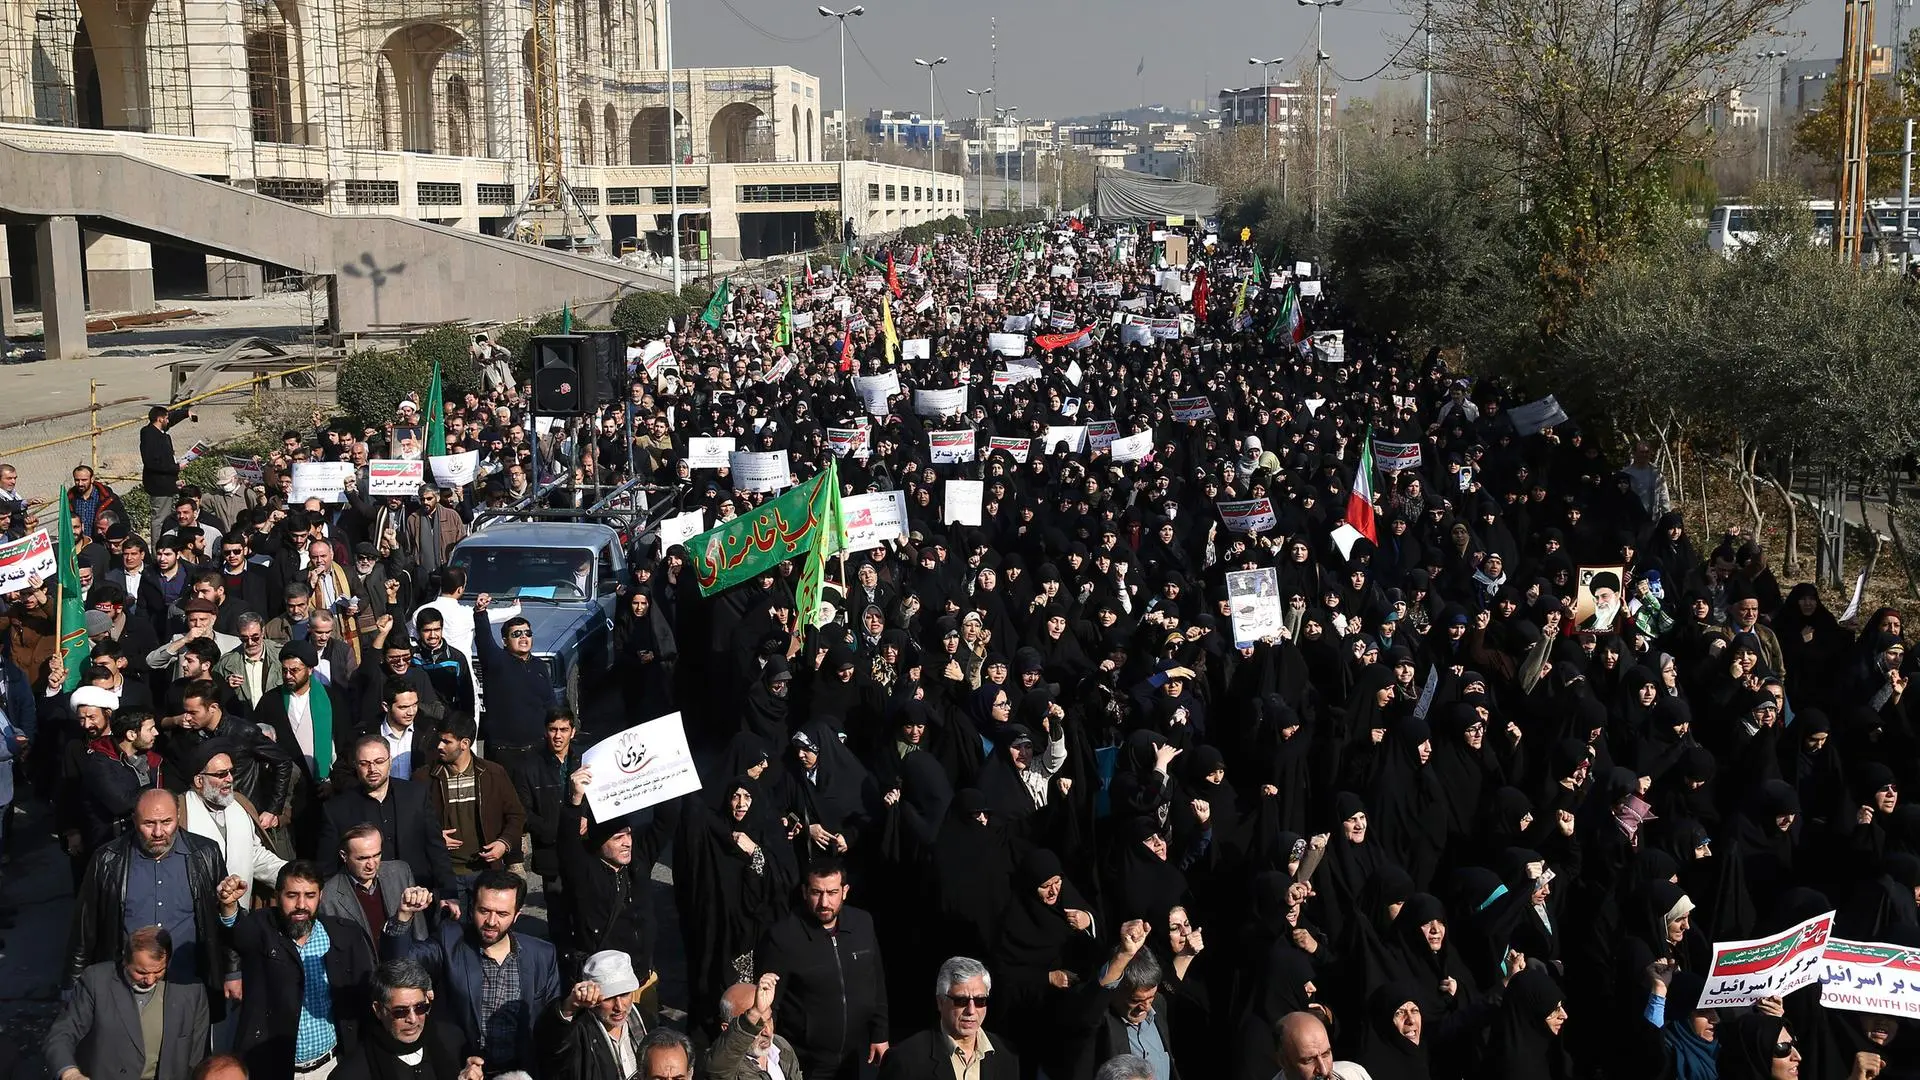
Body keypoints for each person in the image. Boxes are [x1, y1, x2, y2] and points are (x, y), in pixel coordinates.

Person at [68, 789, 247, 1021]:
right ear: (134, 820)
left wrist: (233, 970)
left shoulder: (205, 854)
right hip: (127, 991)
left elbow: (222, 921)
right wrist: (72, 986)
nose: (158, 832)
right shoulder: (107, 860)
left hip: (188, 984)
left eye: (166, 822)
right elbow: (85, 927)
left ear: (179, 816)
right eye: (149, 823)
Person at [384, 870, 564, 1075]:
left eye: (502, 914)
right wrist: (403, 917)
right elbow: (397, 967)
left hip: (520, 1071)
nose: (491, 921)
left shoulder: (542, 955)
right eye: (484, 910)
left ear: (517, 916)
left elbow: (550, 1022)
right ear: (472, 908)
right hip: (463, 1069)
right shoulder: (450, 940)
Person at [228, 861, 378, 1080]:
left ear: (321, 896)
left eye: (310, 895)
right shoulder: (261, 929)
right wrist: (229, 908)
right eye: (292, 895)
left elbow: (364, 999)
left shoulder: (343, 936)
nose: (301, 904)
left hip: (332, 1067)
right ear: (277, 895)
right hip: (274, 1069)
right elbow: (235, 934)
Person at [757, 860, 889, 1080]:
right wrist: (767, 1053)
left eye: (832, 892)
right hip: (805, 1060)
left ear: (845, 892)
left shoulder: (862, 924)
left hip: (854, 1055)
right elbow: (770, 1003)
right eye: (817, 892)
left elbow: (876, 982)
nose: (824, 902)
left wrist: (880, 1034)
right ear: (804, 892)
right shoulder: (784, 937)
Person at [47, 925, 211, 1080]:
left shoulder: (191, 991)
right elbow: (62, 1033)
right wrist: (70, 1073)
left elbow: (197, 1057)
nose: (150, 980)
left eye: (159, 971)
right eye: (141, 972)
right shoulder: (97, 982)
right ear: (125, 960)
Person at [317, 732, 458, 906]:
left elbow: (436, 848)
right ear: (355, 765)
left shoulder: (416, 795)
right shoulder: (337, 809)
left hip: (419, 897)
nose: (372, 769)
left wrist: (449, 891)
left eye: (379, 761)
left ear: (390, 761)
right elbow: (327, 867)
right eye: (364, 763)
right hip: (366, 903)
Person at [331, 958, 485, 1080]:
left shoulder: (454, 1042)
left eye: (420, 1008)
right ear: (378, 1010)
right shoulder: (351, 1073)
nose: (413, 1019)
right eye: (400, 1012)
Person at [423, 712, 526, 886]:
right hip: (445, 875)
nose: (439, 746)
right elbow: (412, 821)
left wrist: (503, 843)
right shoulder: (425, 777)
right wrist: (433, 836)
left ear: (465, 744)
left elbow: (516, 815)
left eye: (447, 742)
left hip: (486, 873)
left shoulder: (494, 773)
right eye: (439, 740)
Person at [877, 956, 1019, 1080]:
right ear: (940, 1002)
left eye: (980, 1001)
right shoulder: (906, 1059)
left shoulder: (1006, 1055)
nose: (971, 1010)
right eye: (961, 1001)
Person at [179, 745, 287, 906]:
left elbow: (254, 854)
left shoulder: (240, 804)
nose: (229, 779)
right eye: (221, 774)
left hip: (239, 912)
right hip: (199, 914)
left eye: (230, 772)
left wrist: (292, 874)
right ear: (199, 780)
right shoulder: (181, 811)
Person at [534, 949, 651, 1080]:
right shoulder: (578, 1031)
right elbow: (552, 1048)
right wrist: (569, 1007)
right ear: (593, 998)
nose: (619, 1007)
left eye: (624, 994)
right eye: (608, 998)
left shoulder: (645, 1019)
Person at [318, 823, 429, 951]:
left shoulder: (400, 872)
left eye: (376, 855)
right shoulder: (328, 896)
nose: (371, 865)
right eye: (362, 858)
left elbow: (419, 932)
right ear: (344, 856)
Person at [708, 973, 804, 1080]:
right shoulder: (723, 1064)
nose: (767, 1032)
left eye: (769, 1020)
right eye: (756, 1024)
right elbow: (719, 1069)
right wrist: (754, 1012)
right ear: (727, 1029)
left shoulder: (781, 1047)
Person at [141, 402, 194, 547]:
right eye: (166, 418)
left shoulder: (157, 433)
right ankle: (159, 550)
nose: (168, 421)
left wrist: (185, 413)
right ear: (160, 419)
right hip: (159, 488)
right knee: (160, 520)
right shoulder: (150, 435)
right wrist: (176, 468)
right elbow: (153, 463)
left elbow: (170, 421)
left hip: (165, 484)